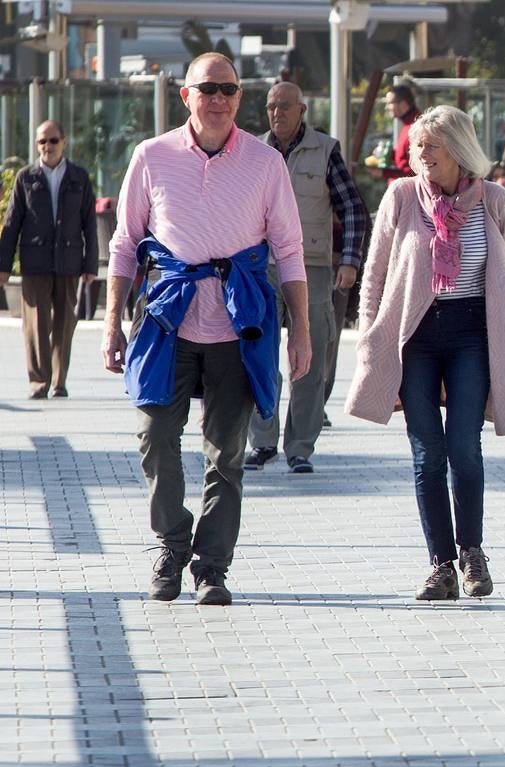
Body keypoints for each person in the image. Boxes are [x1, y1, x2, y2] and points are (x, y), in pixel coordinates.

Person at [101, 52, 312, 607]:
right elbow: (124, 244)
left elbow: (289, 250)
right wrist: (111, 323)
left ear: (240, 97)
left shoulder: (265, 164)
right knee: (154, 437)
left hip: (238, 324)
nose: (218, 99)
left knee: (227, 454)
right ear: (185, 95)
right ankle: (172, 544)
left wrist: (303, 333)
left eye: (228, 90)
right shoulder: (152, 156)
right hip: (169, 320)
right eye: (207, 89)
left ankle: (212, 566)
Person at [346, 106, 505, 601]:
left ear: (458, 149)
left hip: (472, 334)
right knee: (428, 454)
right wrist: (371, 339)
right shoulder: (402, 197)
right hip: (415, 338)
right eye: (417, 146)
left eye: (430, 146)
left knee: (464, 447)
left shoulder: (492, 199)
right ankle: (441, 564)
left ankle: (473, 553)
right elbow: (376, 274)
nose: (419, 155)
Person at [244, 82, 368, 474]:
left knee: (309, 361)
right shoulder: (252, 151)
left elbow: (353, 209)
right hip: (261, 267)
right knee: (258, 355)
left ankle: (300, 447)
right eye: (270, 107)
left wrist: (349, 261)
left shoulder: (326, 151)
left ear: (303, 109)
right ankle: (262, 443)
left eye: (284, 106)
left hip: (311, 265)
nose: (277, 113)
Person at [0, 119, 97, 398]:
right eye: (42, 141)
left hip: (68, 263)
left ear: (64, 142)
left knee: (65, 323)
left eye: (53, 140)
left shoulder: (79, 177)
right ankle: (39, 382)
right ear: (36, 145)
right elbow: (11, 223)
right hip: (35, 262)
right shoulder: (25, 177)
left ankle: (58, 381)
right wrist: (3, 266)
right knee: (36, 325)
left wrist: (90, 265)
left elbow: (89, 224)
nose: (48, 146)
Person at [380, 84, 422, 181]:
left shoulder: (416, 127)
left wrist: (384, 172)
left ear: (403, 104)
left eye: (390, 103)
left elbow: (418, 171)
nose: (387, 107)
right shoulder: (409, 125)